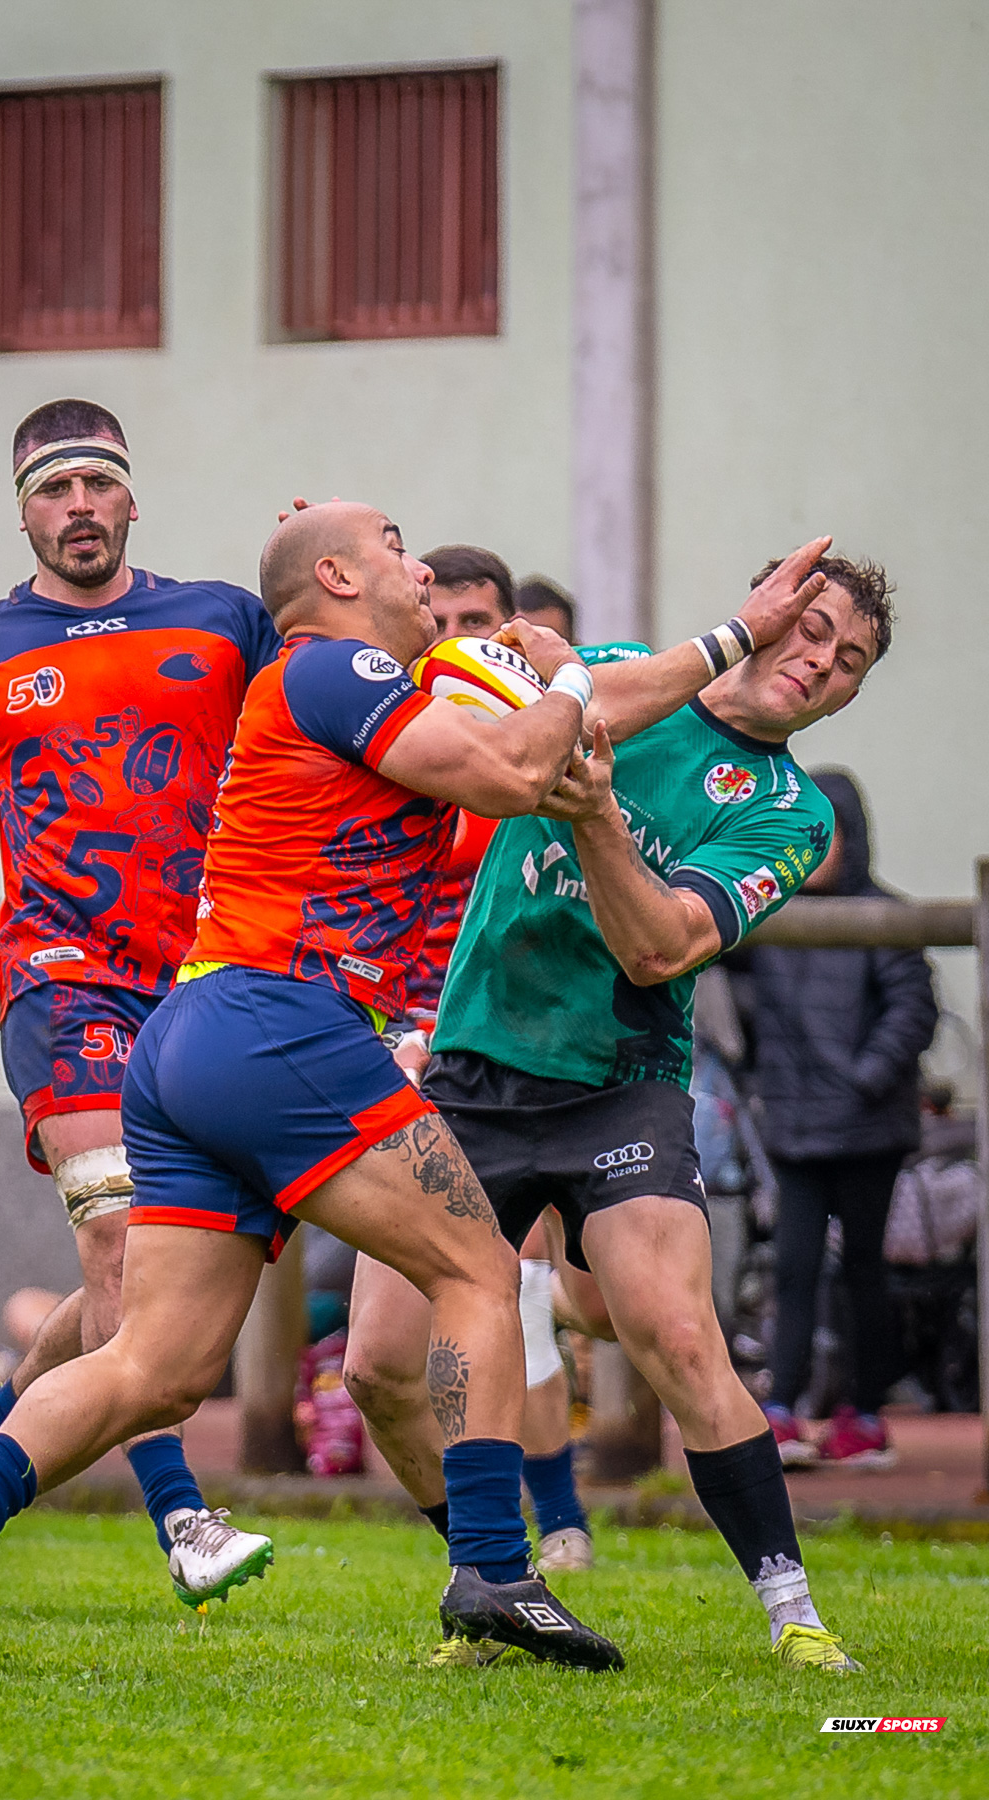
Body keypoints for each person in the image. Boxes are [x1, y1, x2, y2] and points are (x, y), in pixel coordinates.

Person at [0, 500, 631, 1677]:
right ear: (334, 575)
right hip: (279, 1019)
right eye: (391, 544)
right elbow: (516, 767)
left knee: (153, 1366)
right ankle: (495, 1572)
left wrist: (729, 649)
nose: (416, 562)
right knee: (478, 1271)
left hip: (190, 1032)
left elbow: (502, 752)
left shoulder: (340, 676)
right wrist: (571, 671)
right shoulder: (341, 666)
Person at [345, 547, 887, 1674]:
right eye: (814, 628)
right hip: (470, 1075)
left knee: (677, 1333)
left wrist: (593, 807)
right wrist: (343, 587)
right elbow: (491, 675)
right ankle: (496, 1579)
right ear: (765, 612)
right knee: (377, 1371)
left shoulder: (788, 813)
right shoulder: (621, 672)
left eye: (851, 663)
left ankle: (796, 1617)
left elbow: (660, 947)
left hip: (618, 1088)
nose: (823, 662)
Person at [0, 398, 281, 1608]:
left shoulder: (223, 622)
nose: (77, 508)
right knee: (119, 1253)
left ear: (132, 496)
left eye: (97, 484)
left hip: (210, 987)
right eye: (53, 489)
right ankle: (183, 1517)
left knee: (137, 1297)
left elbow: (320, 728)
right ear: (24, 508)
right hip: (64, 980)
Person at [388, 544, 598, 1579]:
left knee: (577, 1305)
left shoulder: (537, 752)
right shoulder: (403, 731)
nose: (462, 638)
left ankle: (525, 1541)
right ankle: (533, 1539)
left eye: (483, 620)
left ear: (514, 629)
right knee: (463, 1316)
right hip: (414, 1054)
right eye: (445, 620)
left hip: (535, 1054)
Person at [746, 766, 937, 1468]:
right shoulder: (769, 915)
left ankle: (864, 1415)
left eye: (820, 837)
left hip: (866, 1130)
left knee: (864, 1271)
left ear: (849, 839)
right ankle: (782, 1409)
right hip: (794, 1129)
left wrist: (863, 1080)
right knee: (792, 1270)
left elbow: (913, 1011)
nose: (808, 850)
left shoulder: (886, 916)